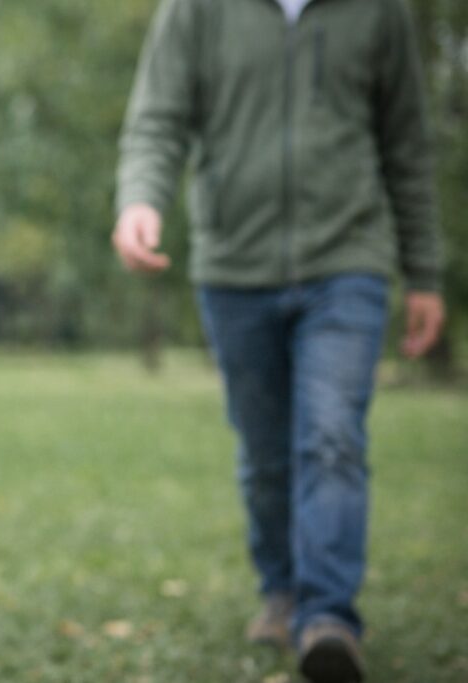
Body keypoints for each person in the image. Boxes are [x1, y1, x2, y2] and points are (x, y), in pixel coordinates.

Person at [111, 0, 445, 681]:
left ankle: (327, 617)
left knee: (331, 436)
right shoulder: (195, 10)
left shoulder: (381, 12)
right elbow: (158, 118)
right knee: (267, 451)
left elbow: (407, 144)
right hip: (235, 266)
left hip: (347, 261)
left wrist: (424, 271)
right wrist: (141, 199)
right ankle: (283, 590)